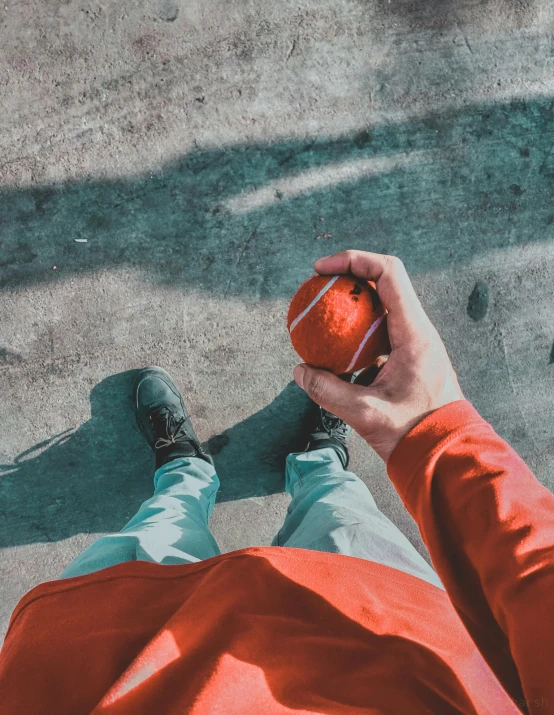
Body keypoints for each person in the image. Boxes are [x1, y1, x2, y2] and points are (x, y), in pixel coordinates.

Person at [0, 250, 553, 714]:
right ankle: (318, 462)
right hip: (389, 630)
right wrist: (431, 430)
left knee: (161, 529)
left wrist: (436, 432)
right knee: (340, 516)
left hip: (108, 658)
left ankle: (185, 472)